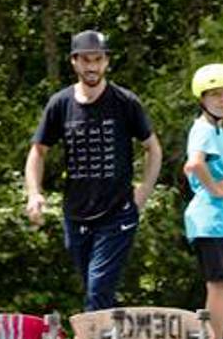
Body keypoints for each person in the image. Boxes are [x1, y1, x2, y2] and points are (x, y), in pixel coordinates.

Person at [24, 29, 162, 311]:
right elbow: (38, 151)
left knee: (98, 285)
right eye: (86, 60)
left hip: (118, 211)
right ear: (74, 62)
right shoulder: (60, 104)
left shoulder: (125, 102)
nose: (92, 67)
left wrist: (143, 192)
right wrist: (34, 193)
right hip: (76, 212)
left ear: (106, 62)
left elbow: (153, 148)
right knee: (95, 286)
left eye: (98, 59)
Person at [183, 64, 223, 339]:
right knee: (220, 285)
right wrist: (215, 189)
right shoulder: (205, 129)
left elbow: (191, 167)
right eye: (215, 95)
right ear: (202, 99)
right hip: (214, 219)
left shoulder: (217, 131)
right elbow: (194, 163)